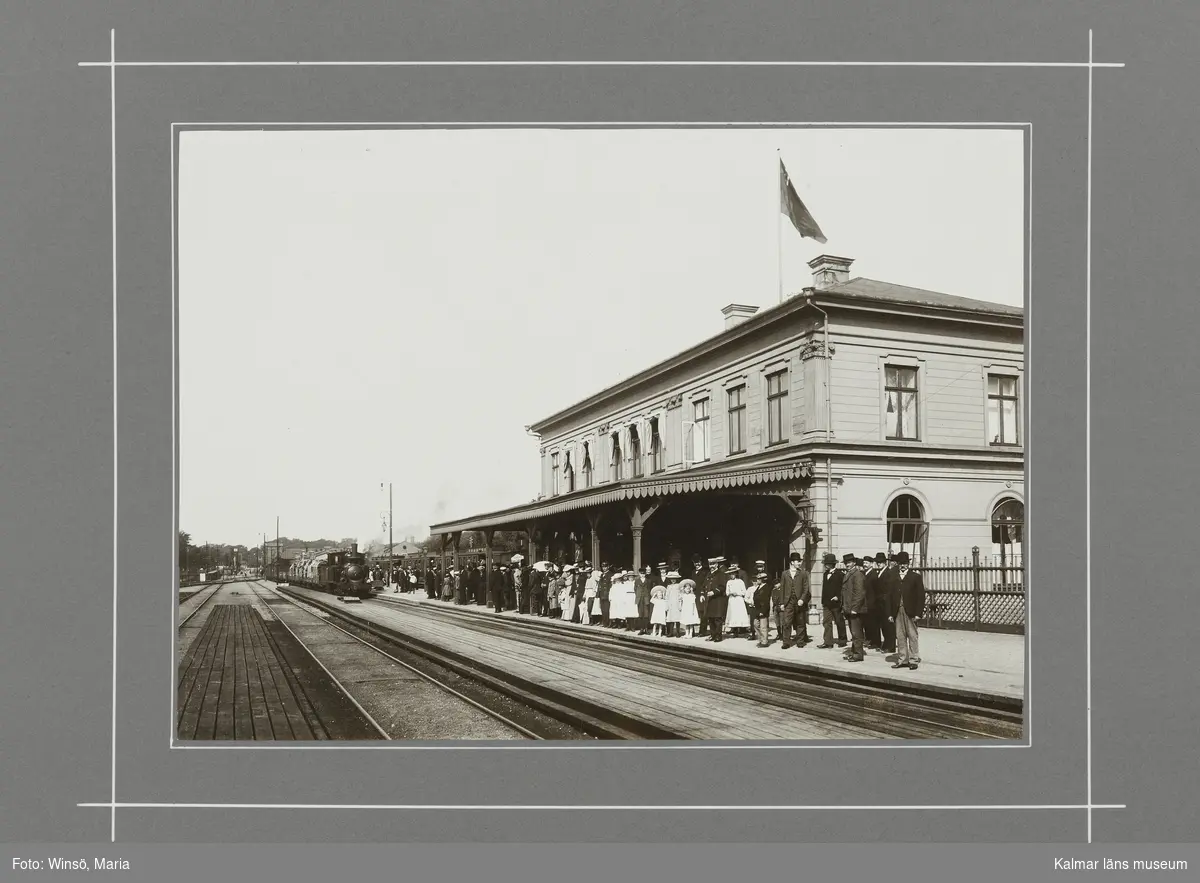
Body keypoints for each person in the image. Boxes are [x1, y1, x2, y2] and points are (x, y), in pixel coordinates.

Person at [889, 551, 926, 670]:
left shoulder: (915, 577)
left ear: (908, 564)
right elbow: (889, 596)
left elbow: (920, 597)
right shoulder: (894, 577)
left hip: (910, 611)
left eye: (905, 563)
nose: (903, 566)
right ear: (898, 564)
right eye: (900, 563)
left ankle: (913, 659)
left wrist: (918, 613)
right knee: (900, 636)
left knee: (912, 635)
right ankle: (902, 659)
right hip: (897, 611)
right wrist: (890, 613)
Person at [778, 552, 811, 649]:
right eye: (797, 561)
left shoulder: (803, 573)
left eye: (800, 561)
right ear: (792, 562)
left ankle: (800, 641)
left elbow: (806, 588)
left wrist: (802, 599)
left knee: (800, 622)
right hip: (788, 601)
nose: (799, 563)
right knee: (786, 622)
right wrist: (782, 603)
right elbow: (782, 589)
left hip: (799, 601)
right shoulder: (785, 573)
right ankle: (786, 642)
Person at [817, 553, 847, 649]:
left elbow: (843, 588)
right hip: (826, 603)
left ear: (831, 564)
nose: (825, 565)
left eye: (827, 563)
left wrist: (838, 597)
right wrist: (823, 601)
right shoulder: (825, 574)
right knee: (826, 622)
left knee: (839, 621)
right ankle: (828, 642)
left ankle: (842, 640)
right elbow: (824, 589)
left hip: (836, 603)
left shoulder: (840, 574)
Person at [842, 554, 867, 662]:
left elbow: (859, 593)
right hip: (849, 608)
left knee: (856, 632)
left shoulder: (857, 575)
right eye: (846, 563)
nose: (847, 564)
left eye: (849, 562)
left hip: (855, 609)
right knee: (853, 632)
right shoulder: (849, 574)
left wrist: (855, 608)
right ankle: (854, 652)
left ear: (854, 563)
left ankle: (858, 654)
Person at [862, 553, 885, 649]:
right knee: (867, 623)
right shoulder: (863, 574)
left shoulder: (874, 575)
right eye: (864, 563)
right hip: (865, 603)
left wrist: (874, 602)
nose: (865, 564)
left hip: (872, 604)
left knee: (874, 624)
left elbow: (877, 591)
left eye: (867, 563)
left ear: (871, 564)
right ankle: (870, 640)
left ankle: (876, 642)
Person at [878, 552, 899, 653]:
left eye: (881, 562)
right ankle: (887, 644)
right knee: (884, 624)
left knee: (888, 625)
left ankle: (890, 646)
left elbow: (888, 588)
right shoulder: (883, 571)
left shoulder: (890, 572)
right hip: (882, 601)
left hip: (886, 601)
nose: (879, 564)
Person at [722, 563, 751, 637]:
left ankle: (741, 629)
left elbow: (744, 592)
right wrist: (731, 593)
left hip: (738, 599)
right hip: (732, 600)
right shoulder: (729, 582)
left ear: (736, 574)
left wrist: (737, 593)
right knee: (732, 614)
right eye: (730, 574)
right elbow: (727, 592)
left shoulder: (740, 581)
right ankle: (734, 630)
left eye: (733, 574)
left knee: (739, 614)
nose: (731, 575)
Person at [704, 556, 728, 641]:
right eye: (710, 564)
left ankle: (718, 636)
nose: (712, 566)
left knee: (717, 618)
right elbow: (705, 586)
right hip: (710, 600)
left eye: (713, 564)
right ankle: (712, 635)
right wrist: (702, 594)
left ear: (717, 564)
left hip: (718, 599)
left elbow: (722, 586)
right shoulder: (708, 574)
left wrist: (714, 592)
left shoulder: (721, 574)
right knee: (710, 618)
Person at [751, 567, 773, 648]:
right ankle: (761, 639)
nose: (757, 580)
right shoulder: (759, 587)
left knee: (763, 626)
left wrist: (763, 611)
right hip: (757, 609)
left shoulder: (766, 588)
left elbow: (766, 601)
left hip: (762, 610)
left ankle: (764, 642)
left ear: (763, 580)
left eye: (759, 579)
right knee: (755, 625)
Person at [693, 556, 711, 637]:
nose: (697, 564)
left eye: (698, 562)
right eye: (695, 562)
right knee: (693, 612)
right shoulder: (693, 572)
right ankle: (692, 631)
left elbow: (705, 583)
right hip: (693, 594)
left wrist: (702, 593)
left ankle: (702, 631)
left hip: (701, 594)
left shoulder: (705, 572)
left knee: (703, 612)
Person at [664, 569, 683, 637]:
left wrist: (680, 603)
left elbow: (681, 594)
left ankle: (678, 632)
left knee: (677, 619)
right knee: (671, 619)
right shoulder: (669, 586)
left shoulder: (679, 586)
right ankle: (671, 632)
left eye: (674, 579)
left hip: (677, 603)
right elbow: (667, 596)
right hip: (671, 603)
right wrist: (667, 605)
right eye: (672, 579)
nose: (673, 580)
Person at [634, 565, 652, 635]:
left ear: (645, 573)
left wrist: (647, 597)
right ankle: (641, 629)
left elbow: (650, 589)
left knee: (646, 615)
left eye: (643, 573)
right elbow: (635, 589)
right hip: (639, 599)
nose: (642, 575)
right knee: (640, 614)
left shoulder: (648, 581)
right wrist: (638, 596)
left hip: (646, 599)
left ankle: (646, 629)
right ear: (639, 574)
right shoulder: (636, 581)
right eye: (641, 573)